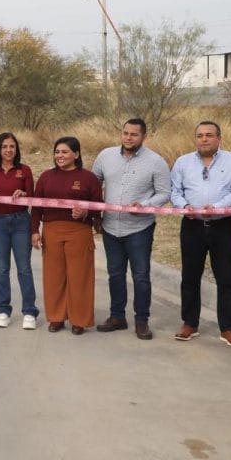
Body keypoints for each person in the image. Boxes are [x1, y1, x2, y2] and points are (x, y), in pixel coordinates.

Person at [170, 121, 231, 347]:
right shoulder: (182, 162)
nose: (204, 139)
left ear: (219, 138)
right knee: (190, 277)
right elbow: (175, 191)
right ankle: (189, 324)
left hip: (222, 226)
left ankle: (227, 328)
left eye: (209, 135)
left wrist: (217, 207)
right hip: (192, 227)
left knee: (226, 279)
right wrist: (185, 206)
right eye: (199, 135)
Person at [91, 118, 171, 341]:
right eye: (125, 133)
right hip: (110, 227)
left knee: (141, 276)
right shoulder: (105, 156)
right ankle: (117, 317)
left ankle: (141, 321)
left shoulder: (156, 162)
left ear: (144, 137)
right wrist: (96, 216)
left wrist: (145, 206)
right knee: (115, 274)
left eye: (134, 134)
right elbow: (92, 185)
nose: (128, 137)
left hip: (139, 228)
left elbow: (165, 193)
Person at [31, 136, 103, 335]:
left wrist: (86, 213)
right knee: (54, 277)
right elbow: (37, 207)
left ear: (76, 154)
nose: (59, 156)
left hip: (79, 232)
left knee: (79, 277)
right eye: (57, 152)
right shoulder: (46, 177)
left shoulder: (88, 178)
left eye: (64, 152)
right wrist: (34, 231)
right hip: (52, 231)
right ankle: (56, 317)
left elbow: (98, 208)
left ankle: (79, 319)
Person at [0, 131, 39, 330]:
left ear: (17, 149)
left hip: (21, 222)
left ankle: (29, 311)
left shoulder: (25, 170)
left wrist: (23, 194)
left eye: (12, 146)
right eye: (4, 146)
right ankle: (3, 309)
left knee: (24, 268)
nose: (8, 150)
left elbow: (33, 198)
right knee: (2, 268)